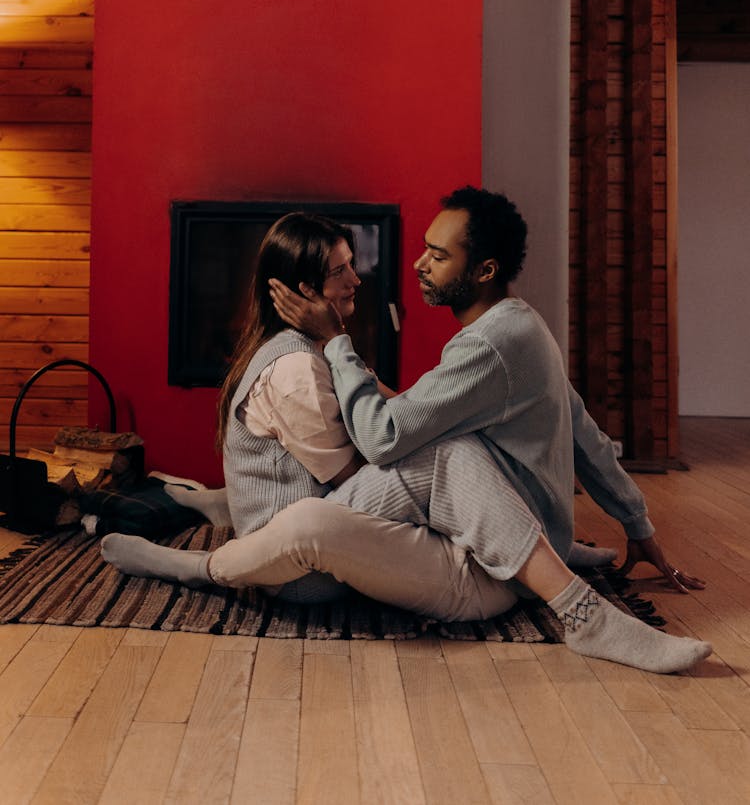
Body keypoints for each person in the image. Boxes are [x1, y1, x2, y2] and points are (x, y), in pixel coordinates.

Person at [102, 204, 712, 672]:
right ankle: (574, 598)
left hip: (451, 544)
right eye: (343, 269)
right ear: (305, 291)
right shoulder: (521, 328)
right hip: (325, 544)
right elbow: (378, 450)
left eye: (436, 255)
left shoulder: (484, 345)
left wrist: (347, 355)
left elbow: (390, 437)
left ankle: (563, 582)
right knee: (438, 453)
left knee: (436, 451)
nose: (410, 265)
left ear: (483, 270)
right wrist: (636, 522)